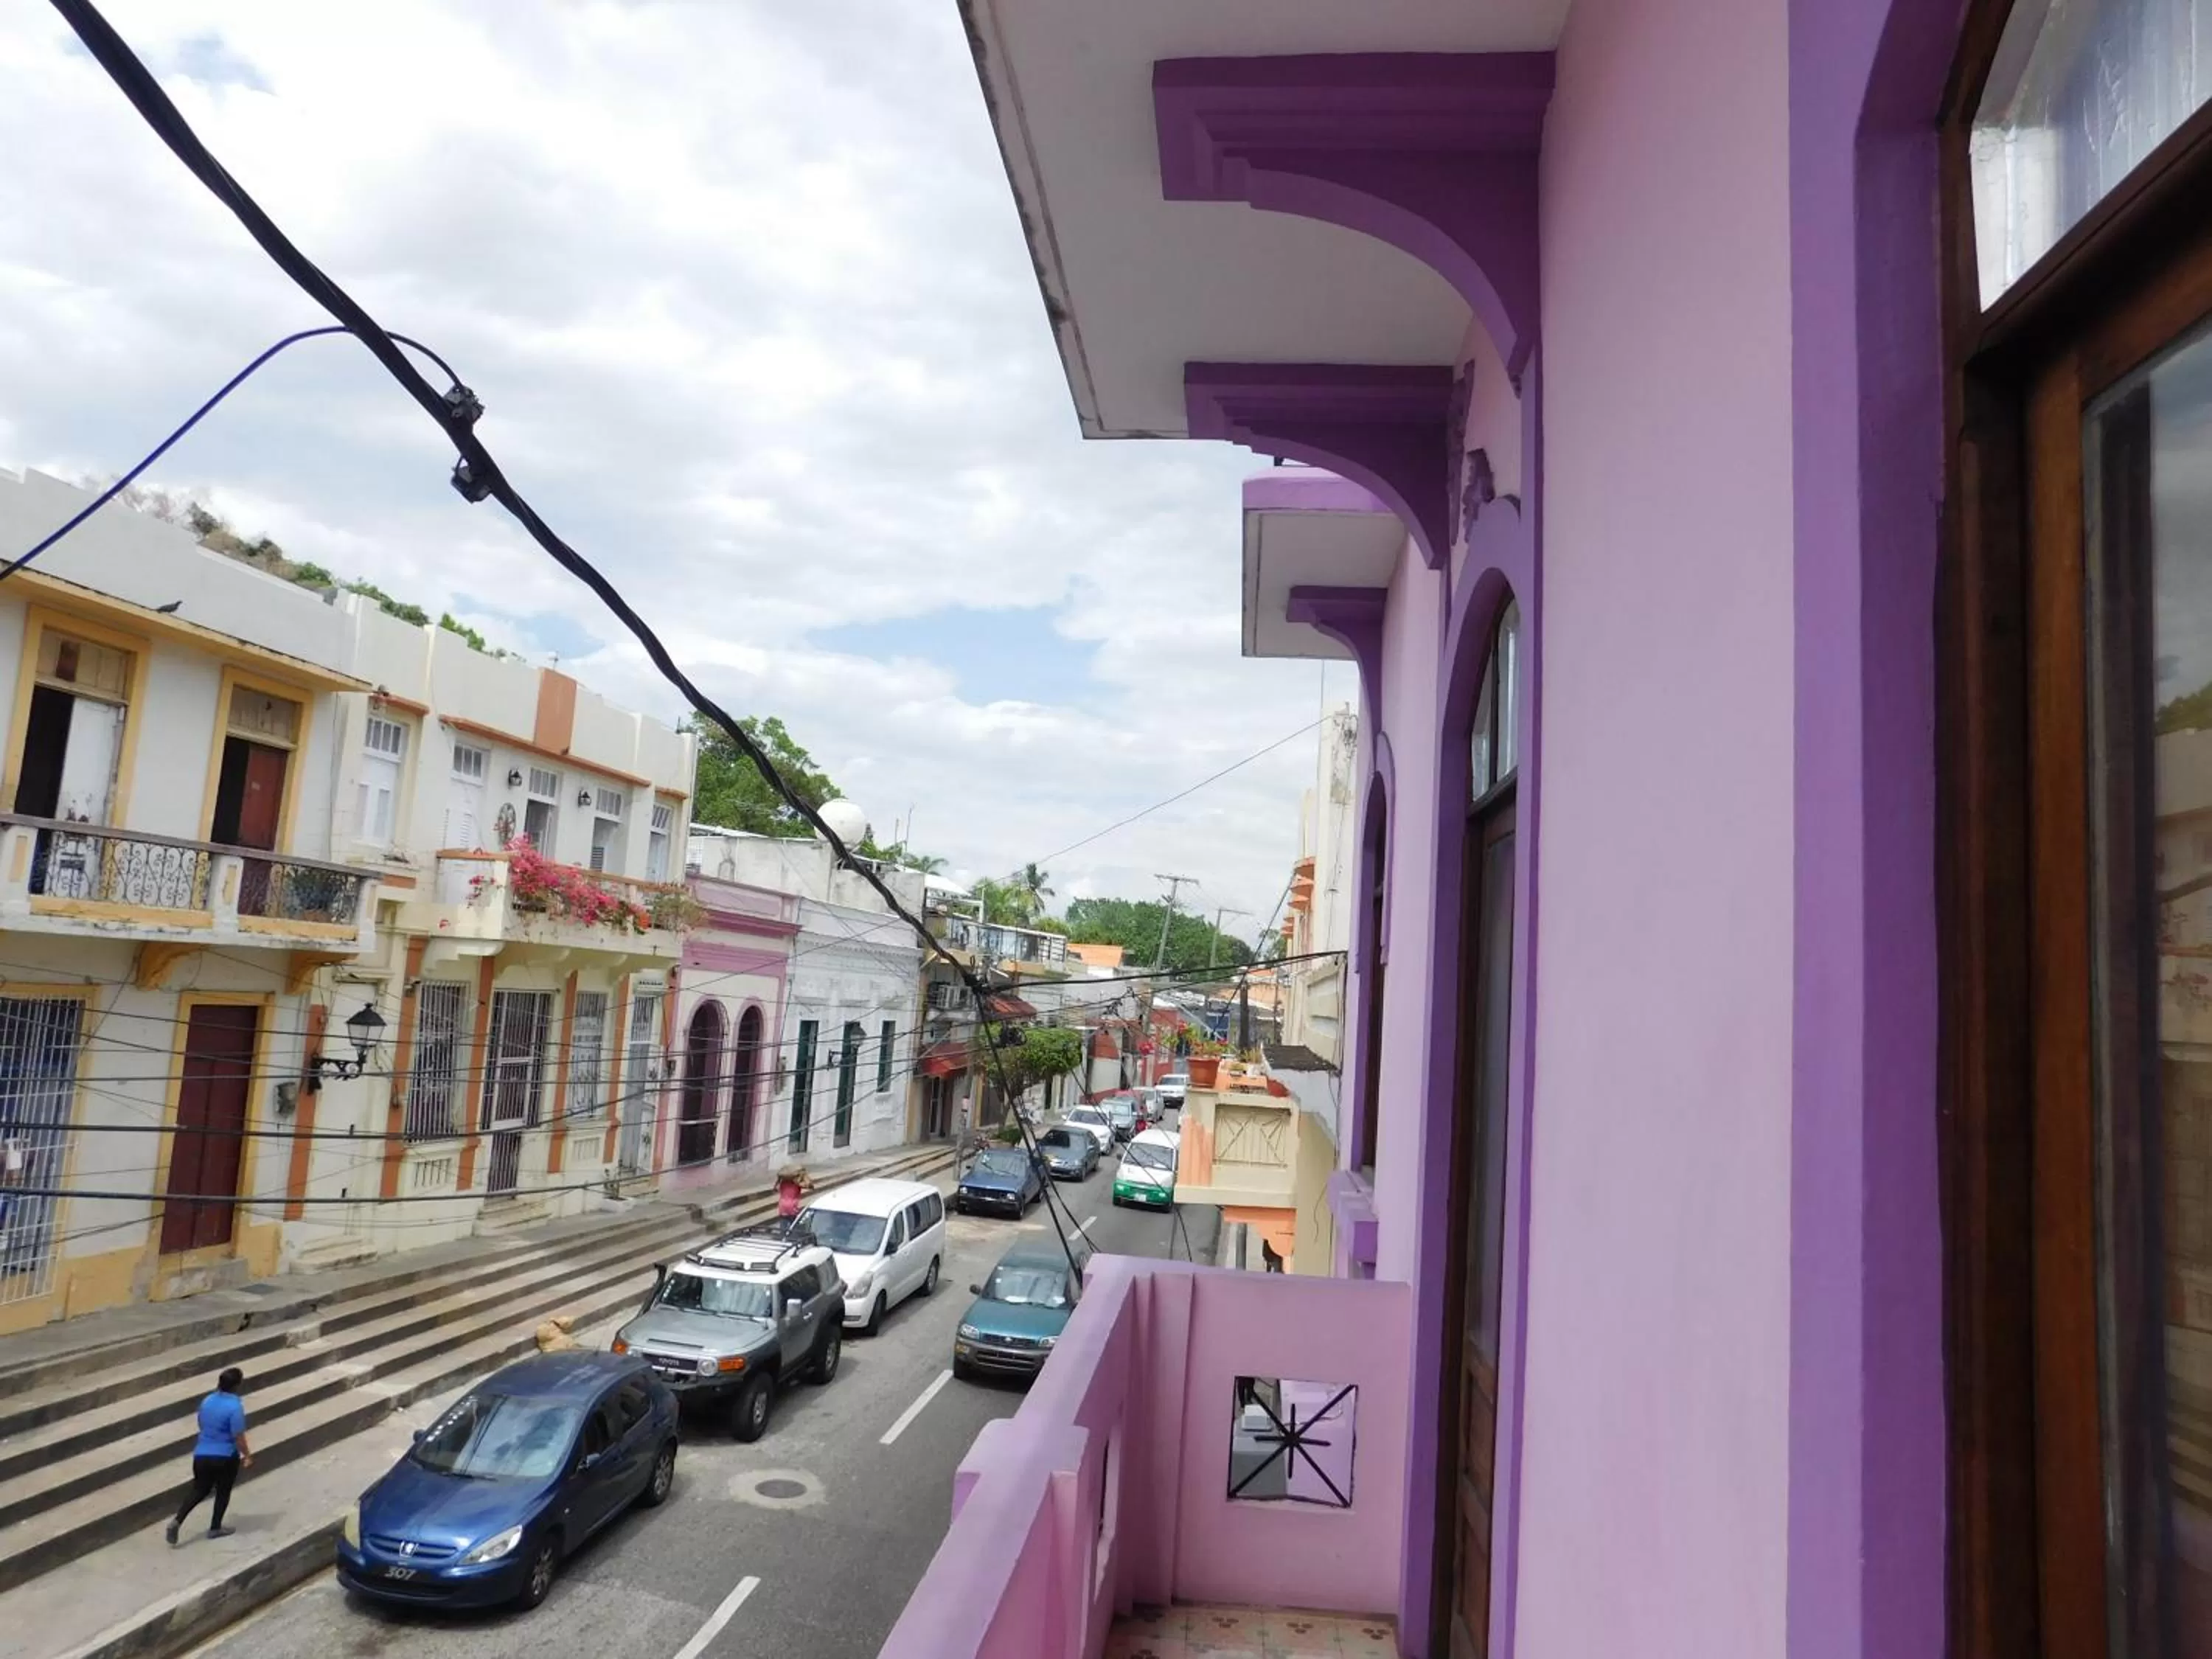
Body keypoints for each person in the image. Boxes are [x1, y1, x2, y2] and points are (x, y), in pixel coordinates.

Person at [166, 1366, 251, 1545]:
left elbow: (201, 1422)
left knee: (199, 1490)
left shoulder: (207, 1401)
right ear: (237, 1385)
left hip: (202, 1454)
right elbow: (238, 1436)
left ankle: (177, 1520)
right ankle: (215, 1528)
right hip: (225, 1456)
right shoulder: (235, 1406)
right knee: (223, 1491)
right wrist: (247, 1455)